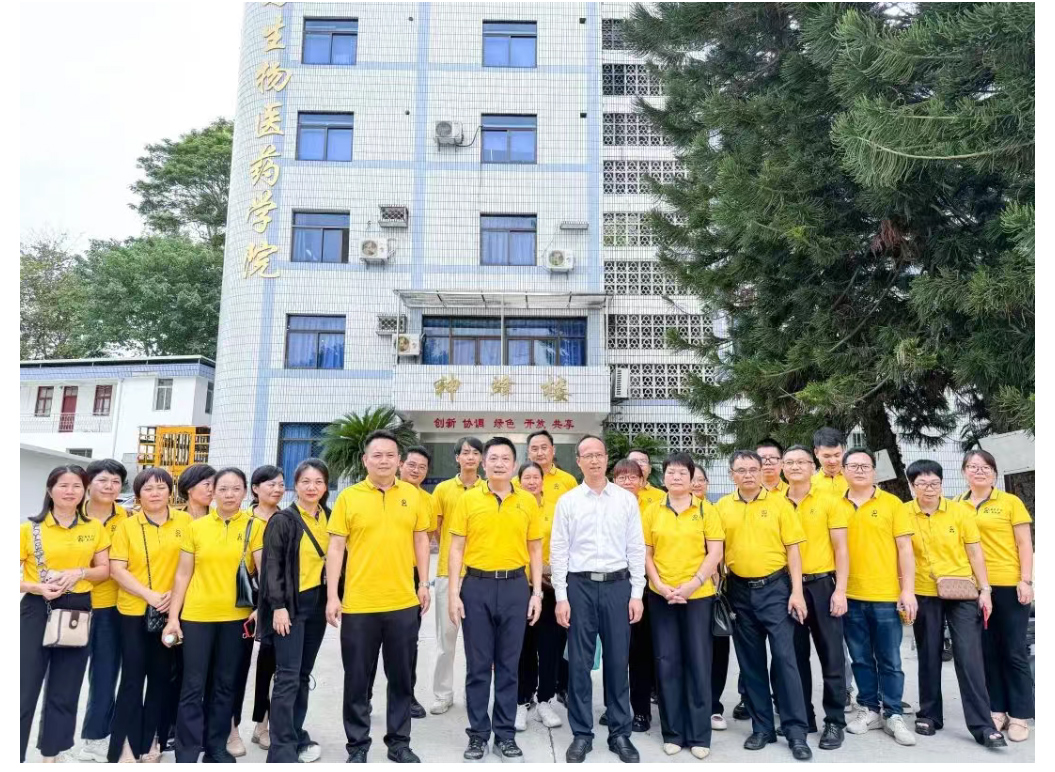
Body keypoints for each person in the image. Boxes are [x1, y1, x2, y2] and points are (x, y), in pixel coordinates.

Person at [325, 430, 431, 763]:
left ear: (399, 461)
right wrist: (332, 595)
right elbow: (336, 547)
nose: (384, 461)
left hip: (403, 603)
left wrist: (424, 583)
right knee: (357, 680)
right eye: (377, 455)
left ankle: (399, 743)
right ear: (365, 460)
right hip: (359, 605)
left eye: (390, 455)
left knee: (401, 679)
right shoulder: (349, 497)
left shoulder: (413, 496)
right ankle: (357, 746)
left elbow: (421, 540)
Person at [550, 435, 645, 763]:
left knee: (618, 662)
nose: (594, 460)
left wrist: (637, 593)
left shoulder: (625, 500)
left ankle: (620, 733)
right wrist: (561, 596)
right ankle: (581, 734)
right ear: (578, 461)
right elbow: (559, 550)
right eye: (587, 455)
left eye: (599, 454)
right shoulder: (568, 502)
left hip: (618, 586)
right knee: (579, 663)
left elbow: (636, 547)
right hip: (580, 587)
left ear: (606, 459)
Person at [448, 437, 543, 761]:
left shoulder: (527, 501)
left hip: (516, 587)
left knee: (508, 666)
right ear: (484, 463)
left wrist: (537, 593)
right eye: (494, 458)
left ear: (514, 465)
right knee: (478, 666)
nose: (499, 463)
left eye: (506, 458)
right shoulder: (468, 500)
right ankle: (477, 735)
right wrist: (453, 594)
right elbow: (456, 548)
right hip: (476, 587)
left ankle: (505, 735)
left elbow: (535, 549)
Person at [715, 450, 812, 761]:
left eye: (753, 469)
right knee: (751, 663)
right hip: (739, 592)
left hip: (776, 590)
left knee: (785, 660)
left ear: (762, 472)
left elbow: (794, 552)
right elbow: (716, 552)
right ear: (732, 474)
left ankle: (796, 731)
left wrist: (797, 592)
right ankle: (762, 728)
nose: (748, 475)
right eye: (741, 470)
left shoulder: (780, 504)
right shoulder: (722, 508)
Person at [905, 460, 1006, 748]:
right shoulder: (903, 513)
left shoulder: (960, 512)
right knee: (929, 653)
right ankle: (929, 714)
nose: (929, 488)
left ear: (942, 483)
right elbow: (901, 553)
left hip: (961, 591)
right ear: (912, 486)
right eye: (922, 483)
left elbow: (975, 553)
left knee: (969, 656)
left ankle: (982, 725)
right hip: (924, 591)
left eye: (934, 483)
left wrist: (984, 589)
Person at [163, 467, 257, 763]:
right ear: (213, 492)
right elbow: (183, 575)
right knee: (192, 686)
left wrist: (261, 608)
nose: (229, 495)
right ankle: (187, 752)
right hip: (197, 616)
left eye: (236, 488)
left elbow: (265, 571)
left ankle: (216, 748)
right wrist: (173, 617)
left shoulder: (256, 526)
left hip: (237, 618)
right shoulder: (197, 528)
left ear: (245, 492)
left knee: (225, 685)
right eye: (223, 489)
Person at [20, 465, 111, 764]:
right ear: (50, 490)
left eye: (77, 486)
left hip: (77, 609)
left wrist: (80, 572)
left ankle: (51, 755)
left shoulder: (93, 528)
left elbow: (104, 570)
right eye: (63, 485)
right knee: (24, 687)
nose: (70, 491)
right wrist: (36, 587)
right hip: (37, 608)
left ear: (85, 491)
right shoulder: (29, 529)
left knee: (66, 687)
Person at [643, 453, 725, 759]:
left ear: (692, 479)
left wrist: (692, 584)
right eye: (671, 472)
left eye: (682, 473)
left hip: (698, 596)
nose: (676, 477)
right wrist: (660, 585)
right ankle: (673, 732)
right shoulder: (652, 510)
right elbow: (646, 552)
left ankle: (699, 734)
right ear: (663, 477)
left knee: (698, 662)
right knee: (667, 662)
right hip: (661, 596)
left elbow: (715, 552)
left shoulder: (706, 510)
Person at [107, 468, 190, 763]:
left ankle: (152, 740)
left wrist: (173, 602)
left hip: (171, 613)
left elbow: (189, 567)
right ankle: (125, 746)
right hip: (133, 612)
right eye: (148, 488)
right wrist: (149, 595)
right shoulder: (127, 527)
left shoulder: (185, 522)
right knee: (132, 679)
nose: (155, 493)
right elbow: (117, 569)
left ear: (170, 491)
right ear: (138, 494)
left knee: (160, 679)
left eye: (161, 487)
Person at [838, 448, 918, 746]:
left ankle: (893, 712)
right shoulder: (834, 504)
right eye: (853, 465)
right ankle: (869, 708)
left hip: (885, 595)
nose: (859, 470)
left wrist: (907, 590)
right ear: (843, 471)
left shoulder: (892, 504)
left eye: (865, 466)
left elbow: (905, 549)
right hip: (850, 595)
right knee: (859, 657)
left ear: (874, 470)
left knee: (890, 658)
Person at [254, 459, 330, 763]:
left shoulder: (329, 517)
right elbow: (271, 568)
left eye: (318, 482)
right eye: (305, 482)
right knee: (287, 676)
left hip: (318, 604)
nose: (312, 487)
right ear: (295, 486)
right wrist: (279, 607)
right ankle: (281, 750)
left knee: (302, 675)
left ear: (326, 486)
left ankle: (295, 734)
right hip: (290, 605)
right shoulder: (283, 521)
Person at [956, 450, 1034, 742]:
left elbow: (1024, 543)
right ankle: (997, 709)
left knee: (1013, 650)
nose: (979, 471)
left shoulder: (1010, 502)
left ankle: (1020, 715)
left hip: (1009, 585)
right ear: (964, 472)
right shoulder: (957, 504)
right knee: (987, 651)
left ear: (994, 473)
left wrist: (1025, 580)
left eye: (985, 467)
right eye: (973, 466)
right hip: (974, 588)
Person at [780, 445, 848, 749]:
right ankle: (802, 716)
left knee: (831, 656)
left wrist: (840, 590)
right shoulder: (775, 501)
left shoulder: (830, 501)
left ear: (812, 466)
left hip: (822, 585)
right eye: (789, 462)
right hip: (786, 587)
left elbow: (841, 549)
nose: (795, 467)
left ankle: (834, 721)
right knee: (793, 657)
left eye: (801, 462)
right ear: (782, 468)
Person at [77, 459, 130, 763]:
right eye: (103, 480)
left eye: (115, 481)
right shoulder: (72, 515)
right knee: (63, 676)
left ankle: (95, 738)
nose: (110, 487)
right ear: (89, 483)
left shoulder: (128, 518)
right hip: (72, 604)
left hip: (111, 607)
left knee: (106, 674)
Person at [429, 437, 486, 715]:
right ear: (457, 458)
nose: (470, 457)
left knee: (479, 642)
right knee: (446, 639)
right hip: (447, 573)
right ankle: (443, 694)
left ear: (481, 458)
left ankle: (476, 694)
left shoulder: (488, 489)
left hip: (479, 574)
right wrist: (451, 553)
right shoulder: (442, 489)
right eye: (465, 452)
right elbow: (436, 527)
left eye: (475, 452)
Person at [515, 462, 566, 730]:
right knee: (523, 647)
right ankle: (522, 700)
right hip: (519, 587)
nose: (532, 481)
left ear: (543, 482)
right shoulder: (514, 507)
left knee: (549, 647)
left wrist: (551, 570)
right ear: (519, 481)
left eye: (536, 477)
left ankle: (545, 699)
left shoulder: (556, 509)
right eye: (527, 477)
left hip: (550, 587)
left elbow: (565, 544)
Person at [608, 459, 655, 733]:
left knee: (639, 652)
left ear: (642, 481)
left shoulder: (652, 508)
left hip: (643, 589)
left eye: (632, 477)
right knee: (615, 652)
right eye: (621, 477)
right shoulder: (606, 506)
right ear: (614, 481)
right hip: (612, 586)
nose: (627, 482)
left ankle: (640, 710)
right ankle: (614, 707)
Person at [396, 446, 440, 719]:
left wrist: (423, 582)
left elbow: (429, 539)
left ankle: (407, 695)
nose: (416, 470)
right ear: (400, 464)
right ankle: (364, 697)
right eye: (411, 464)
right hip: (378, 573)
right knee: (368, 641)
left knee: (408, 639)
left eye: (422, 467)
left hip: (411, 575)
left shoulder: (428, 500)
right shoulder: (384, 492)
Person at [247, 465, 286, 752]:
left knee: (271, 666)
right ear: (255, 488)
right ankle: (234, 727)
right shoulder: (246, 521)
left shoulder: (287, 518)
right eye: (270, 484)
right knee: (237, 668)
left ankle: (263, 726)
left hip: (280, 601)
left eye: (281, 484)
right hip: (249, 600)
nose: (277, 489)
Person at [812, 427, 849, 496]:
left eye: (837, 455)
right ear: (816, 453)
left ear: (844, 451)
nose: (832, 461)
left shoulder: (854, 479)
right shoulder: (809, 484)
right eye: (827, 456)